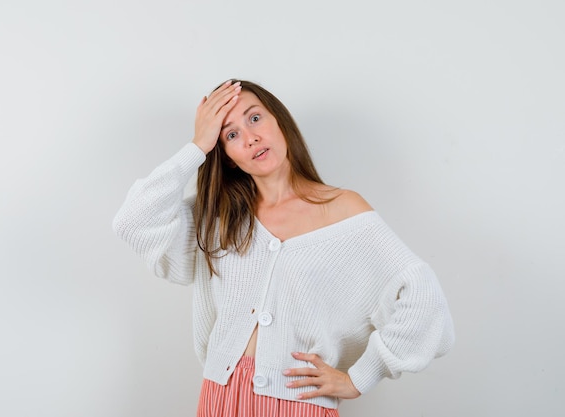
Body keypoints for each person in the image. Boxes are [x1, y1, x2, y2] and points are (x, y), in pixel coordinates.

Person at [113, 79, 454, 416]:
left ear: (279, 121)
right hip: (217, 397)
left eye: (255, 118)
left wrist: (357, 379)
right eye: (230, 134)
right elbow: (133, 220)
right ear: (228, 156)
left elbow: (422, 295)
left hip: (297, 404)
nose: (251, 138)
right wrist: (197, 147)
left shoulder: (343, 210)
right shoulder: (219, 215)